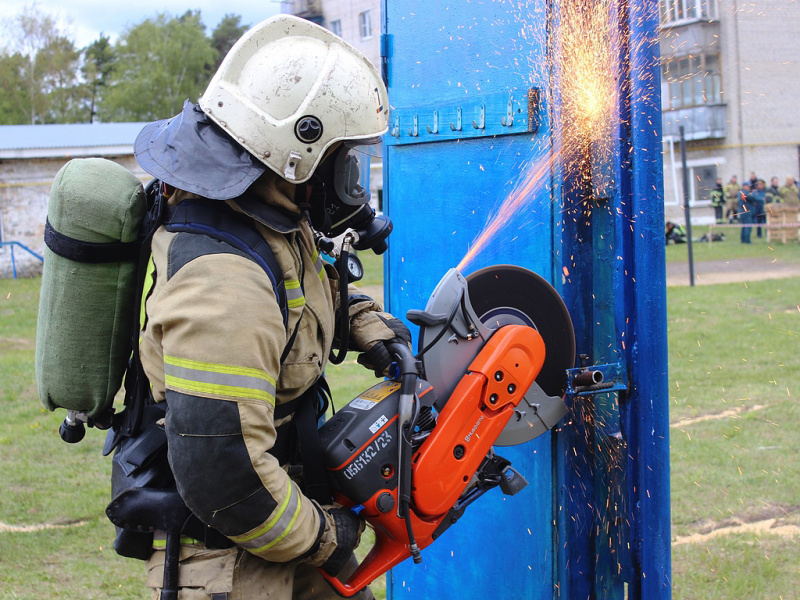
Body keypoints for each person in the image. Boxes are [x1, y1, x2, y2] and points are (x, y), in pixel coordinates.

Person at [129, 15, 408, 599]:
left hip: (282, 529)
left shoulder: (267, 217)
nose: (352, 184)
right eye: (346, 162)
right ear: (298, 150)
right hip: (236, 558)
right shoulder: (223, 282)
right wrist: (328, 536)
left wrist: (366, 327)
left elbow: (297, 298)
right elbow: (225, 474)